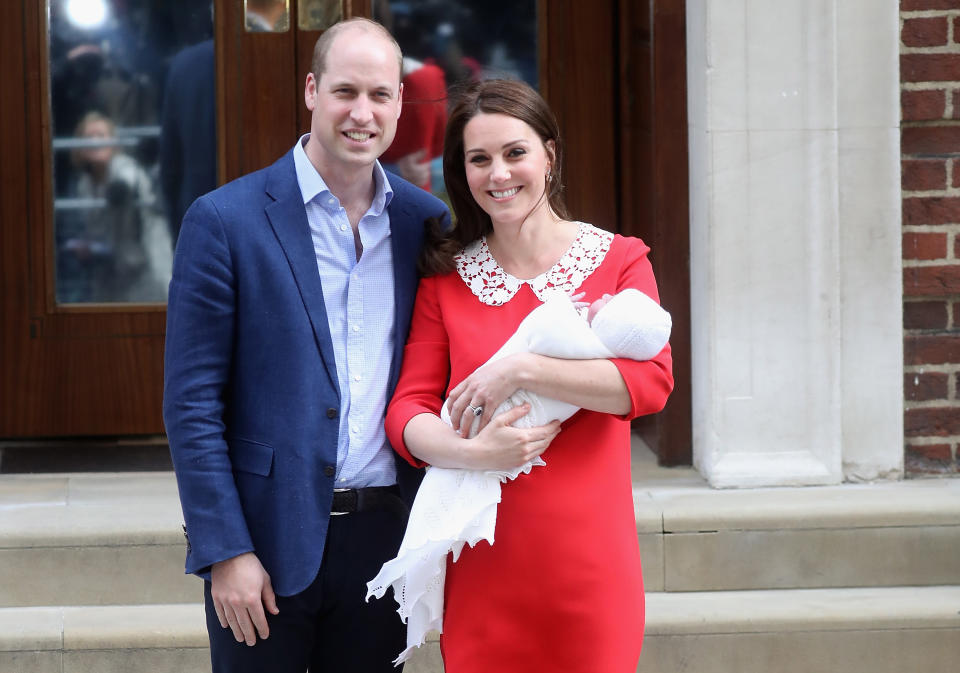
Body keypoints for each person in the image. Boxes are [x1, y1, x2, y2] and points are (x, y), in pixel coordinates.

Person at [162, 18, 449, 673]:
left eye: (380, 94)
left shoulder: (424, 223)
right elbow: (192, 402)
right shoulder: (224, 221)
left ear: (400, 104)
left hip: (384, 537)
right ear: (312, 90)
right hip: (263, 542)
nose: (362, 112)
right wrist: (223, 549)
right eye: (346, 91)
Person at [383, 79, 674, 672]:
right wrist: (474, 453)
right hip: (484, 566)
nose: (499, 174)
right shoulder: (445, 279)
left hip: (590, 565)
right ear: (461, 173)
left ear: (550, 154)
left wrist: (521, 368)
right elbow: (406, 410)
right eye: (479, 159)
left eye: (515, 152)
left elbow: (649, 385)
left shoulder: (620, 260)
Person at [64, 110, 171, 303]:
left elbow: (127, 179)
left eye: (101, 136)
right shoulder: (83, 184)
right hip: (107, 274)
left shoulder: (124, 167)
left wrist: (118, 190)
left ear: (113, 143)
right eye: (88, 137)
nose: (95, 142)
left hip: (143, 270)